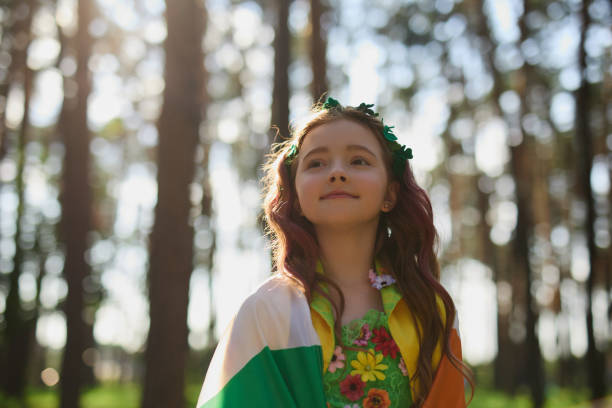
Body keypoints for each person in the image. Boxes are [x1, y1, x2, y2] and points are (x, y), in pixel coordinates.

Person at [196, 97, 473, 408]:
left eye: (358, 161)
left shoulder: (430, 308)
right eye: (316, 163)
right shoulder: (264, 312)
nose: (337, 173)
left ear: (390, 194)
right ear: (296, 196)